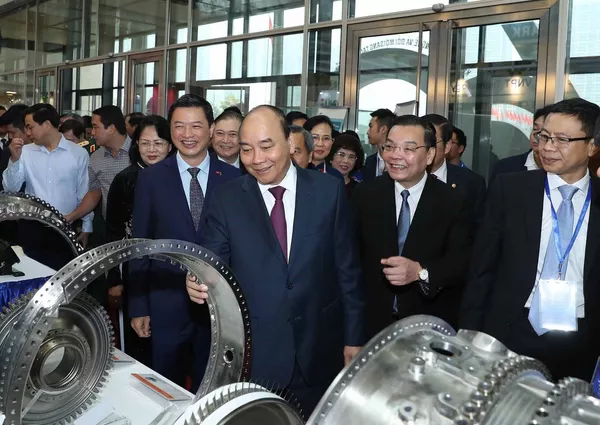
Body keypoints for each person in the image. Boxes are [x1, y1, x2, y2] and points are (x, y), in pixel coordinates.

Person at [185, 105, 366, 415]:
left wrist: (355, 338)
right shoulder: (227, 198)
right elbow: (211, 261)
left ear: (289, 140)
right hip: (258, 353)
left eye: (266, 146)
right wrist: (197, 278)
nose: (257, 159)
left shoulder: (328, 191)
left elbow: (347, 271)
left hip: (319, 347)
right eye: (246, 149)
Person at [460, 98, 600, 381]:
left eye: (562, 140)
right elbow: (481, 269)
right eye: (544, 136)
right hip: (512, 330)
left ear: (592, 146)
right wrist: (469, 333)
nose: (547, 147)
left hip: (582, 338)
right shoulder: (510, 190)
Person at [128, 94, 240, 391]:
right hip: (165, 303)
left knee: (214, 387)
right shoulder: (151, 179)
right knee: (165, 388)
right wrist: (138, 305)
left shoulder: (234, 179)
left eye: (196, 126)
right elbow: (140, 245)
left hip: (218, 308)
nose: (187, 134)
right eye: (179, 126)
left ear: (211, 128)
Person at [352, 115, 471, 338]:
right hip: (372, 327)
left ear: (430, 155)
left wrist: (420, 272)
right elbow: (351, 264)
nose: (395, 155)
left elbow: (460, 264)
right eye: (390, 147)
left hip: (428, 329)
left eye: (408, 149)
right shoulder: (365, 195)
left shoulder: (453, 202)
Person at [106, 115, 174, 367]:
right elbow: (114, 232)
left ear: (170, 145)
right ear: (136, 145)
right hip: (134, 269)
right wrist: (114, 279)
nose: (152, 149)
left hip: (171, 268)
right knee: (138, 342)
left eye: (158, 143)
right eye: (145, 143)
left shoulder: (179, 177)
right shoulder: (125, 179)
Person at [2, 103, 92, 270]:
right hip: (31, 227)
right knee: (32, 275)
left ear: (47, 125)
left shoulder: (78, 154)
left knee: (63, 276)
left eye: (30, 127)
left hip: (65, 227)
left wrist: (87, 226)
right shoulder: (26, 152)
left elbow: (84, 192)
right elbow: (10, 189)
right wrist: (14, 160)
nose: (28, 133)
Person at [423, 114, 486, 230]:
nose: (424, 148)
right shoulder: (401, 178)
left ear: (447, 146)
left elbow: (480, 230)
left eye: (431, 143)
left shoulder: (473, 183)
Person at [489, 106, 552, 185]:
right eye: (535, 129)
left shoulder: (562, 171)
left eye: (544, 132)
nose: (536, 135)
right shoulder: (505, 168)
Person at [304, 115, 343, 179]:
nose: (320, 144)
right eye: (315, 137)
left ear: (332, 142)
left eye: (326, 138)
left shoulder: (336, 177)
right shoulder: (293, 171)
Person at [363, 109, 395, 183]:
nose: (367, 132)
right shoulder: (369, 161)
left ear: (383, 129)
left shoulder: (396, 160)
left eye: (371, 127)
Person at [328, 134, 364, 198]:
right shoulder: (320, 183)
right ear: (331, 157)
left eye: (351, 157)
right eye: (341, 155)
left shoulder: (359, 189)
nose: (346, 161)